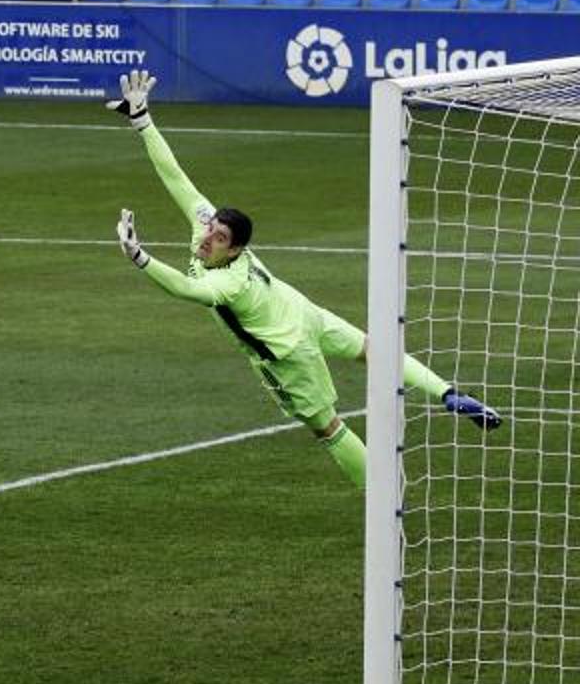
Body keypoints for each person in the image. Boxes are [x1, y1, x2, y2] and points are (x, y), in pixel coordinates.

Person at [106, 69, 501, 490]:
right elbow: (176, 178)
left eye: (219, 238)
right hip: (304, 311)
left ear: (236, 250)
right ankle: (446, 392)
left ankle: (386, 499)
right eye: (210, 228)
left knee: (329, 429)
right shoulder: (207, 230)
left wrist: (139, 257)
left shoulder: (230, 285)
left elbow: (188, 288)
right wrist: (142, 120)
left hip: (287, 353)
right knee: (375, 351)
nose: (207, 238)